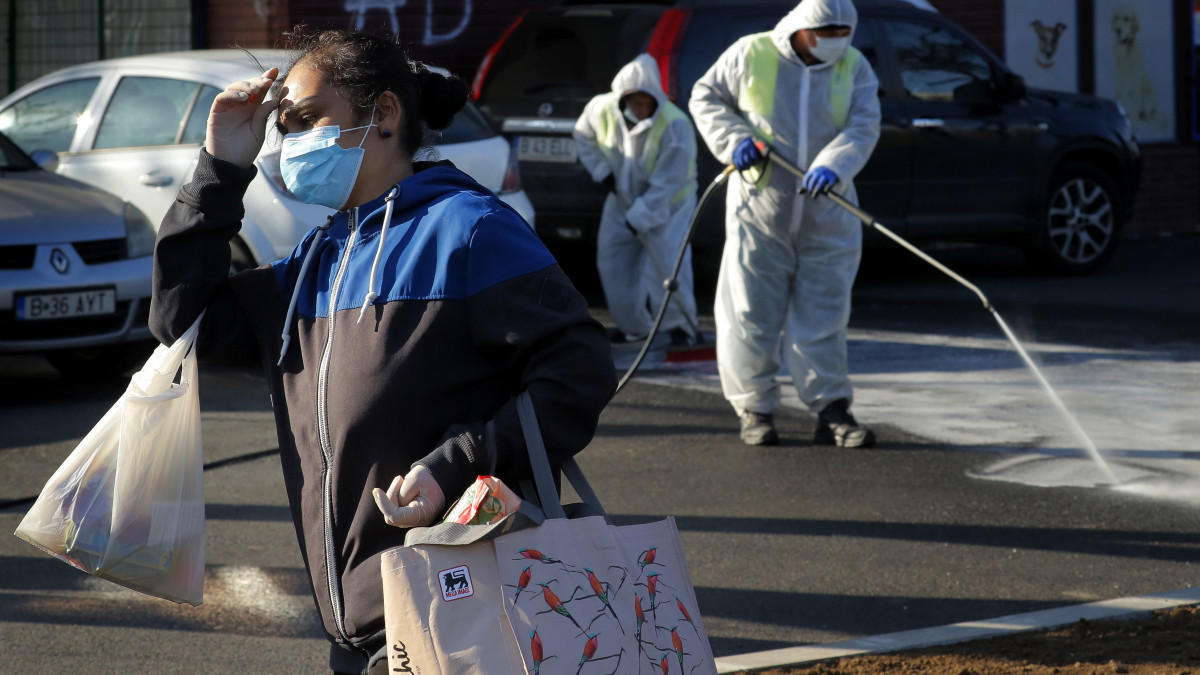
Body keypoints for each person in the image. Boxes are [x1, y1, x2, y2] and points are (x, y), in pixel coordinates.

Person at [148, 30, 616, 675]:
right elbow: (180, 320)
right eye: (285, 127)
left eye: (310, 119)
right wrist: (222, 167)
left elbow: (581, 369)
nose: (293, 142)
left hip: (471, 608)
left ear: (386, 114)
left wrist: (458, 465)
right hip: (360, 626)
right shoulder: (317, 260)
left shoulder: (470, 229)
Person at [688, 0, 881, 447]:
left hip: (828, 212)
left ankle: (831, 408)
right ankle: (754, 409)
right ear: (802, 28)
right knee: (749, 314)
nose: (836, 41)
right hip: (760, 210)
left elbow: (864, 123)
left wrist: (836, 163)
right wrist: (734, 140)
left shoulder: (854, 66)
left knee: (824, 316)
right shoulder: (750, 53)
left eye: (843, 32)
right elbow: (706, 96)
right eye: (827, 32)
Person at [573, 53, 701, 347]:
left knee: (668, 265)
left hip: (670, 206)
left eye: (647, 103)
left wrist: (640, 216)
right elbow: (583, 136)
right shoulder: (601, 108)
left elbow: (669, 182)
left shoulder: (674, 125)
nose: (642, 109)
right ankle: (634, 328)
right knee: (613, 261)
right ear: (623, 100)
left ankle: (680, 327)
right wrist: (602, 171)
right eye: (636, 102)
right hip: (621, 199)